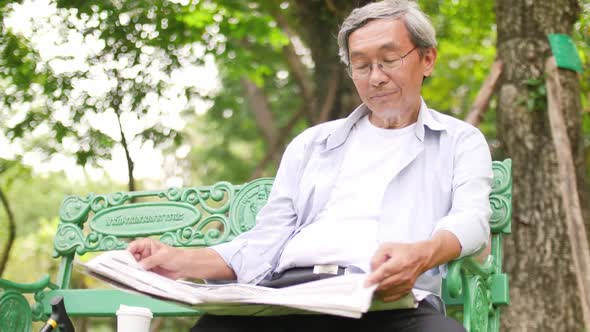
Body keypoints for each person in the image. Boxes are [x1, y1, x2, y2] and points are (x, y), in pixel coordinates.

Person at [128, 1, 492, 331]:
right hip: (286, 297)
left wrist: (422, 254)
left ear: (427, 59)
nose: (376, 77)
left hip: (385, 303)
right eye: (361, 65)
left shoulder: (458, 140)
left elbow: (471, 219)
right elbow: (263, 245)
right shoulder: (313, 144)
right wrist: (177, 259)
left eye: (389, 60)